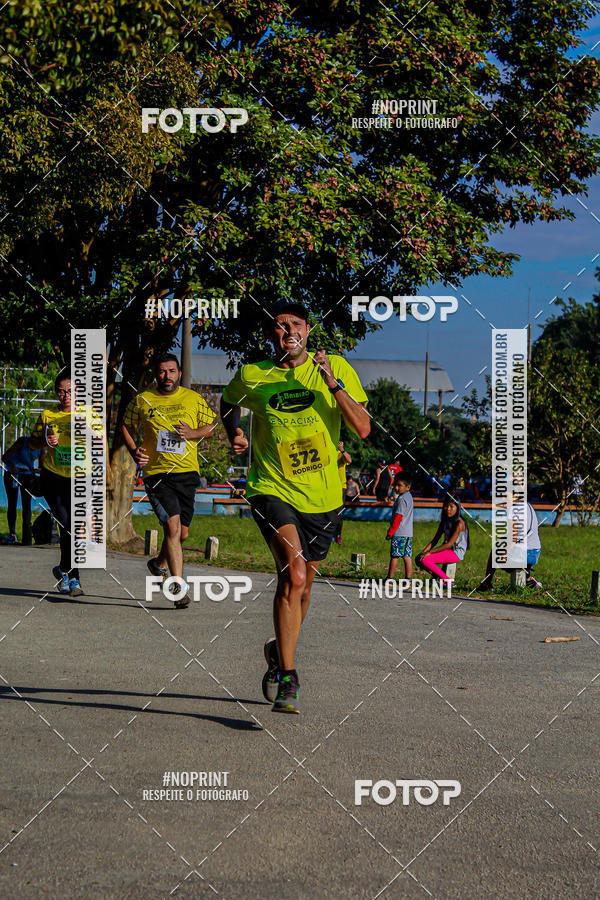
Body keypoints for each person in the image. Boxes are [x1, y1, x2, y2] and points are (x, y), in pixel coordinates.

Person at [221, 299, 370, 714]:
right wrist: (234, 431)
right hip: (272, 489)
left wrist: (330, 382)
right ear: (271, 333)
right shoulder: (254, 374)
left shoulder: (335, 367)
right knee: (295, 573)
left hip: (325, 498)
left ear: (308, 329)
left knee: (304, 589)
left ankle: (278, 652)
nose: (289, 331)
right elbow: (229, 402)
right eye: (280, 325)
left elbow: (362, 427)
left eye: (296, 324)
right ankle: (288, 675)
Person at [121, 354, 216, 608]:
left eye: (171, 371)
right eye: (162, 372)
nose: (167, 376)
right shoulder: (143, 400)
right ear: (156, 374)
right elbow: (126, 425)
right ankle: (178, 587)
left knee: (182, 533)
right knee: (172, 529)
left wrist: (193, 433)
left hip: (187, 472)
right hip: (157, 473)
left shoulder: (193, 398)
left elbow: (211, 426)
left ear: (179, 373)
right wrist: (134, 450)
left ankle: (158, 563)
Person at [30, 369, 103, 597]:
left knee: (72, 528)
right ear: (56, 393)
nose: (65, 396)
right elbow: (32, 444)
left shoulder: (89, 413)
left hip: (82, 476)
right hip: (54, 476)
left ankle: (68, 573)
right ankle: (70, 574)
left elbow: (100, 442)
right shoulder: (47, 415)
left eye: (70, 391)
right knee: (66, 524)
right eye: (61, 392)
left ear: (78, 391)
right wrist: (45, 440)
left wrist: (86, 429)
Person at [478, 501, 542, 591]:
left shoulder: (513, 510)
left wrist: (503, 553)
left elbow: (513, 537)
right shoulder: (528, 505)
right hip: (534, 555)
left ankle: (486, 583)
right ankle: (528, 579)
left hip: (523, 555)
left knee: (496, 549)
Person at [416, 496, 469, 584]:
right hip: (447, 550)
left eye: (451, 507)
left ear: (457, 508)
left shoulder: (459, 523)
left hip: (456, 552)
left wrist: (430, 552)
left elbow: (449, 544)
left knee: (425, 560)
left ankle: (448, 581)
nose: (448, 509)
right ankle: (437, 576)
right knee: (419, 559)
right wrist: (424, 551)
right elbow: (435, 540)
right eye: (446, 506)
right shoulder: (445, 521)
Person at [2, 436, 41, 545]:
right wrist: (12, 466)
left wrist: (38, 470)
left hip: (28, 476)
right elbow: (4, 457)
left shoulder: (42, 448)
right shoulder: (22, 442)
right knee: (12, 503)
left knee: (27, 506)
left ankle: (26, 537)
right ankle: (12, 534)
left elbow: (41, 466)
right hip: (12, 475)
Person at [385, 474, 414, 581]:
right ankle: (408, 578)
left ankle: (390, 577)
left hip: (399, 533)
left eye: (399, 486)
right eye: (395, 485)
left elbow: (398, 518)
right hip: (408, 533)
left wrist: (390, 532)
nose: (396, 488)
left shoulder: (401, 499)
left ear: (408, 487)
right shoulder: (409, 497)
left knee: (395, 556)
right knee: (407, 556)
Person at [333, 440, 352, 545]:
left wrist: (342, 450)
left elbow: (349, 460)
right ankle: (330, 536)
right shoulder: (327, 453)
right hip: (328, 488)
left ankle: (338, 535)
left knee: (339, 513)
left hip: (340, 487)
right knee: (328, 513)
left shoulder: (341, 454)